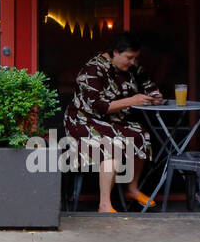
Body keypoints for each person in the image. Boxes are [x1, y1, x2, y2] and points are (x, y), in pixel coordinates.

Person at [64, 32, 162, 213]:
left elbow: (147, 83)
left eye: (135, 58)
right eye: (129, 58)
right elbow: (98, 107)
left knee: (141, 135)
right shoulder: (92, 70)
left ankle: (132, 189)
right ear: (116, 52)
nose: (133, 62)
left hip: (111, 121)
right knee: (112, 144)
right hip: (84, 121)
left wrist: (153, 96)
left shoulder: (131, 67)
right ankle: (104, 204)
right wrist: (132, 101)